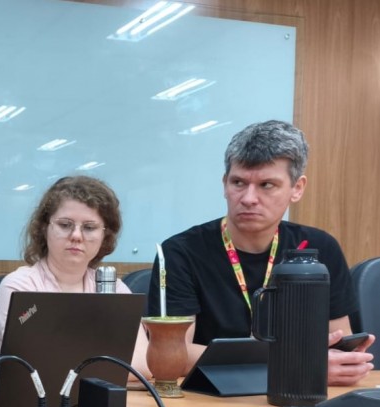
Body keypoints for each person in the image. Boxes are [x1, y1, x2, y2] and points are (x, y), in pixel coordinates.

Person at [147, 120, 374, 386]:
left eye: (267, 185)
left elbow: (338, 340)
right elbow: (176, 356)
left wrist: (343, 362)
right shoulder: (180, 252)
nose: (248, 198)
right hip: (209, 397)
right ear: (224, 184)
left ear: (297, 188)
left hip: (298, 398)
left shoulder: (320, 248)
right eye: (238, 182)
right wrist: (295, 364)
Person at [0, 175, 150, 378]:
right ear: (44, 228)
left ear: (105, 236)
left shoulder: (114, 289)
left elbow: (142, 365)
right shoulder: (20, 288)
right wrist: (106, 364)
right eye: (65, 225)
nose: (76, 235)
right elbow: (38, 368)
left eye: (89, 227)